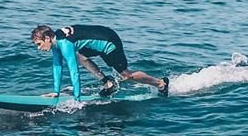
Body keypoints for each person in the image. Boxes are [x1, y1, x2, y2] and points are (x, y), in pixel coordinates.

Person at [31, 24, 169, 101]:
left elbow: (74, 72)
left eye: (39, 44)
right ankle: (108, 83)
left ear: (48, 38)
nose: (39, 48)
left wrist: (76, 99)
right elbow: (57, 66)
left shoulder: (65, 44)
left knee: (126, 75)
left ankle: (161, 84)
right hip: (98, 39)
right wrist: (56, 92)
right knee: (80, 56)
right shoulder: (56, 42)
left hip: (109, 41)